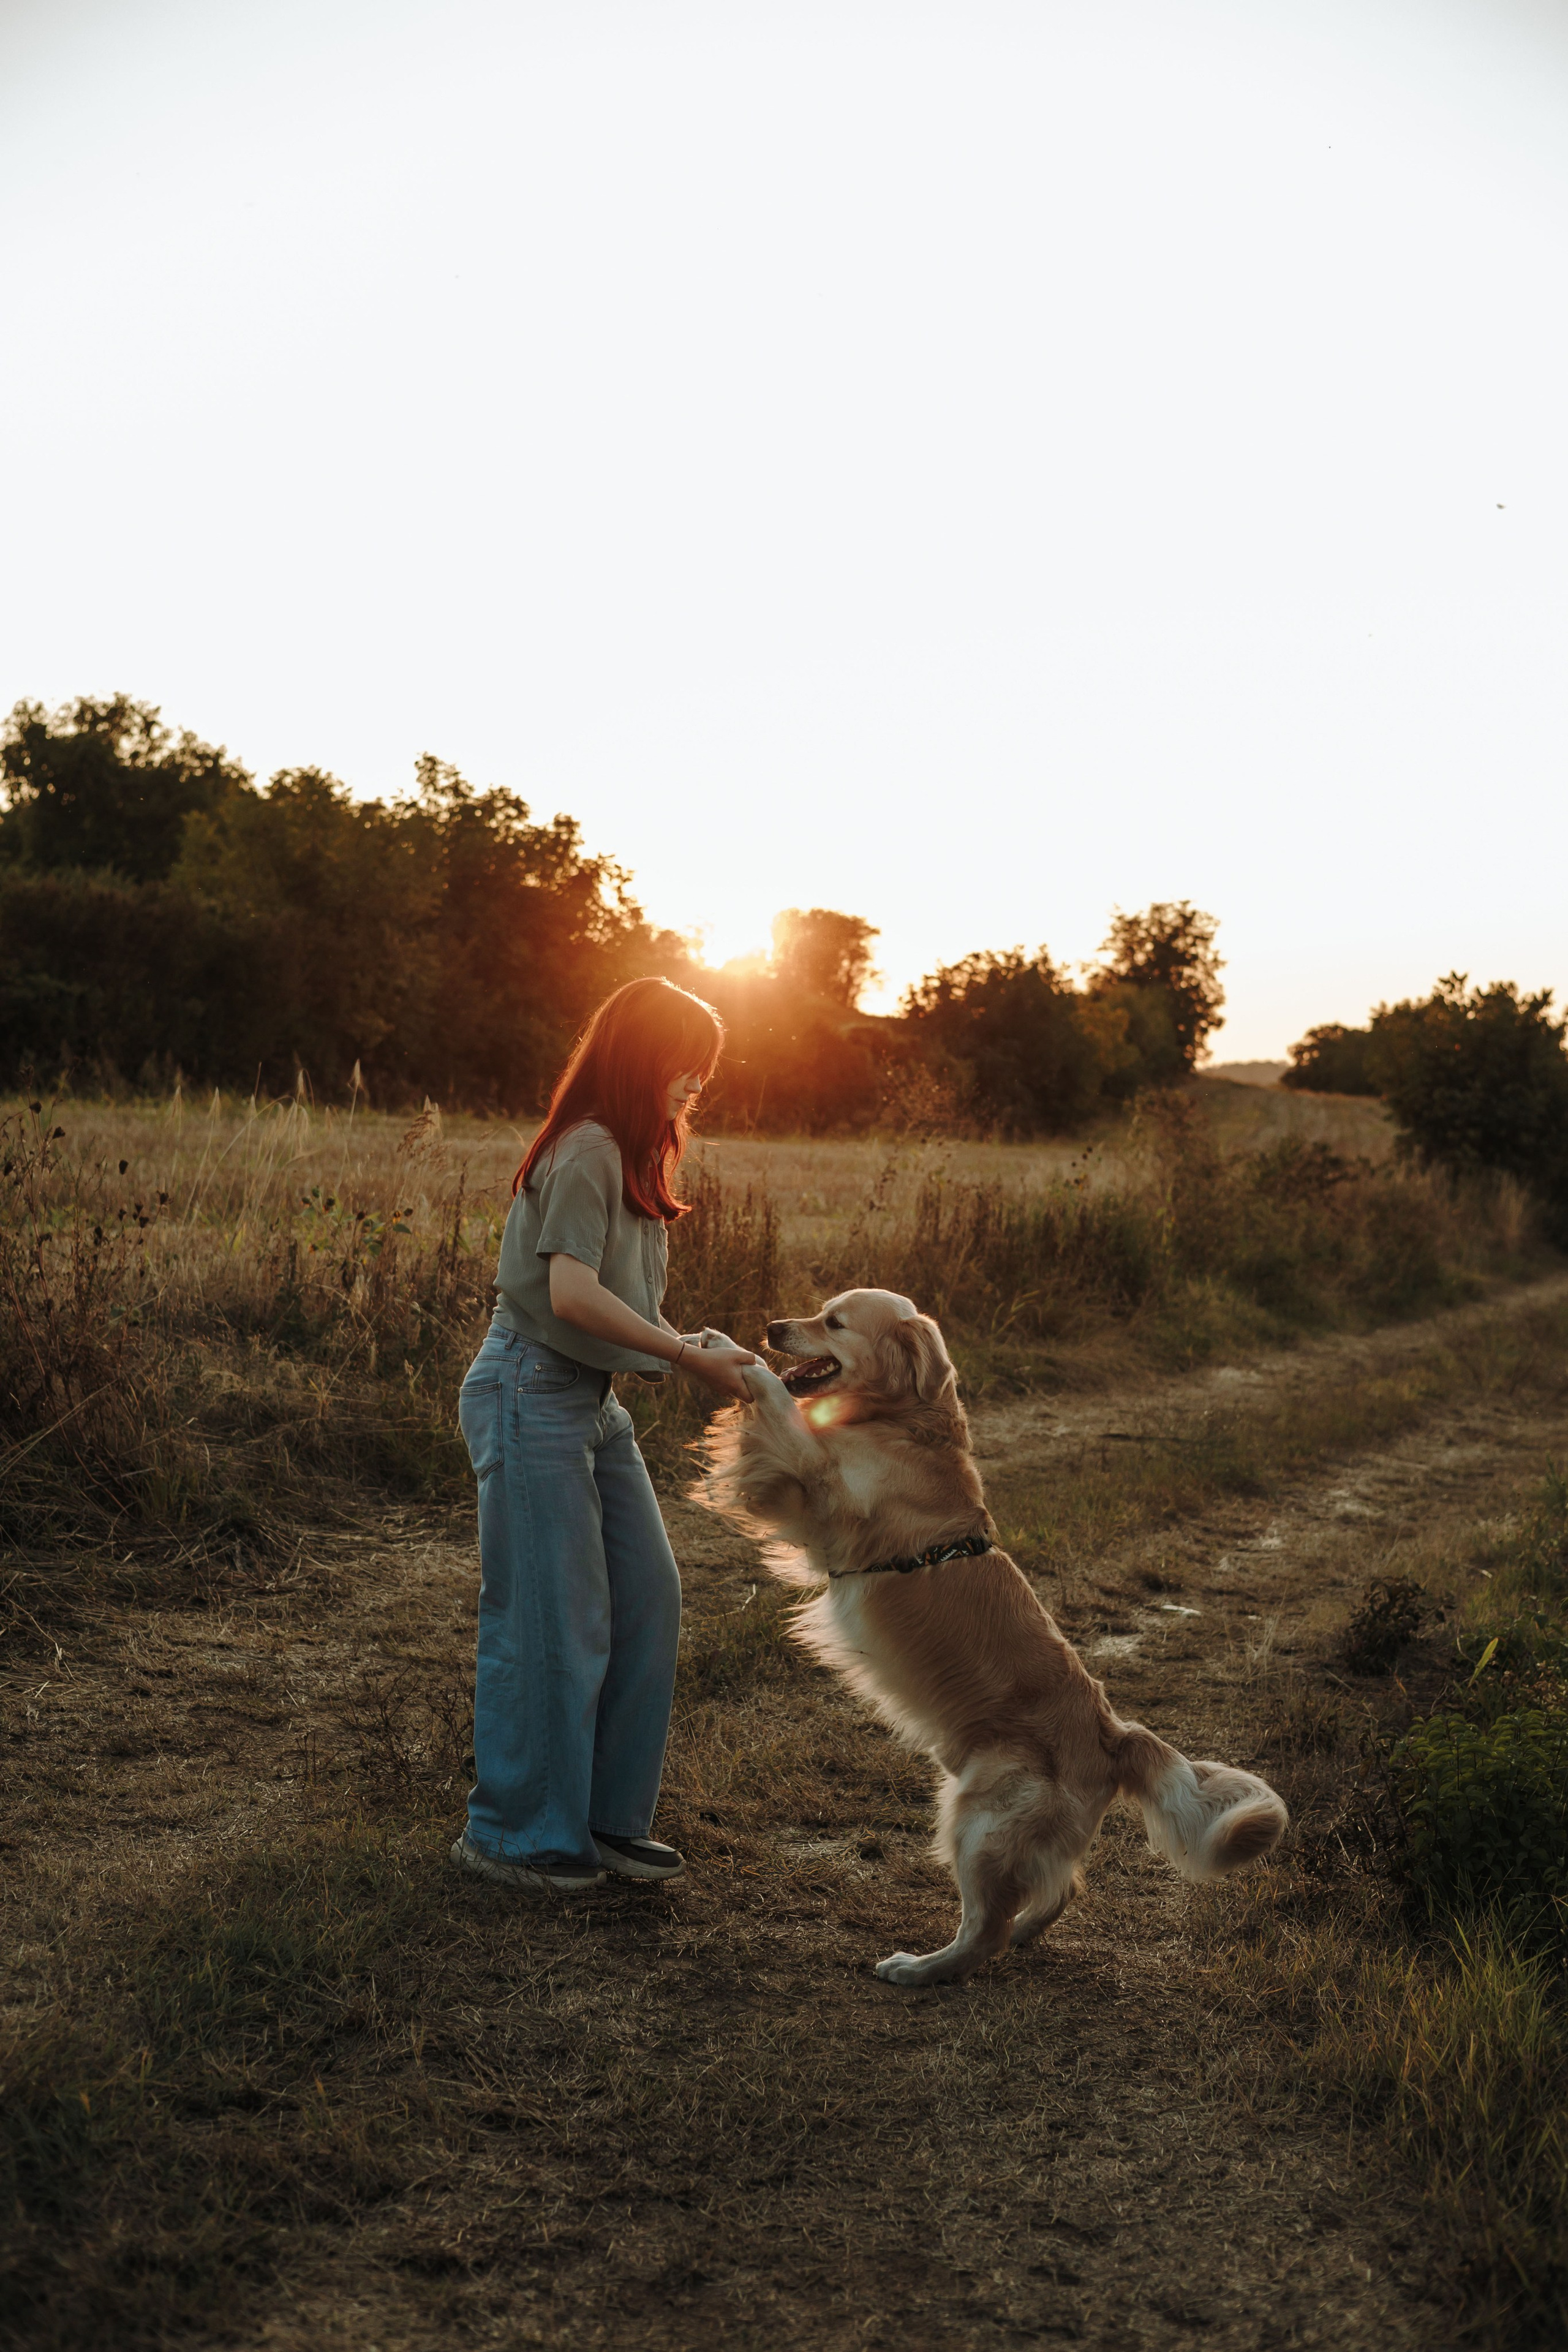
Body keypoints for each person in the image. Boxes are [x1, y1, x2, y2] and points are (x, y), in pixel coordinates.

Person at [452, 975, 756, 1895]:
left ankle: (604, 1822)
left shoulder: (631, 1156)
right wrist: (680, 1355)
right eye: (685, 1068)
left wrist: (703, 1349)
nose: (696, 1087)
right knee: (554, 1619)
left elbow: (619, 1304)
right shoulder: (587, 1148)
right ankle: (516, 1836)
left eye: (703, 1073)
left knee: (648, 1598)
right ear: (641, 1059)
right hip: (528, 1389)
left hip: (591, 1402)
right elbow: (571, 1297)